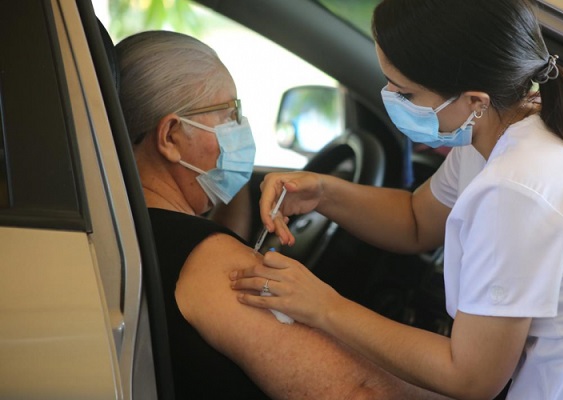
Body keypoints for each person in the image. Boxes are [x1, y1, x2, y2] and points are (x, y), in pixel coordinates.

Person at [229, 1, 563, 399]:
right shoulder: (503, 131)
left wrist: (324, 307)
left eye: (405, 91)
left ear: (475, 100)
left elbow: (472, 377)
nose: (391, 98)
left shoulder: (516, 186)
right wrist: (324, 191)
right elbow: (417, 220)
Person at [116, 30, 450, 400]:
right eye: (229, 114)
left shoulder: (122, 232)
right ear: (171, 137)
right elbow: (360, 392)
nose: (239, 129)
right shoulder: (209, 262)